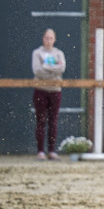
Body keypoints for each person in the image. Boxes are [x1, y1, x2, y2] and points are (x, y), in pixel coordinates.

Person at [32, 28, 66, 160]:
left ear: (54, 39)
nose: (48, 40)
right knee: (40, 120)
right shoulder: (37, 53)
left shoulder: (59, 53)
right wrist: (53, 69)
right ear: (43, 39)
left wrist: (45, 66)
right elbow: (37, 71)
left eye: (51, 38)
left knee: (53, 120)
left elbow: (62, 69)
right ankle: (40, 151)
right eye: (46, 37)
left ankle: (51, 150)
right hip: (41, 89)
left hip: (55, 90)